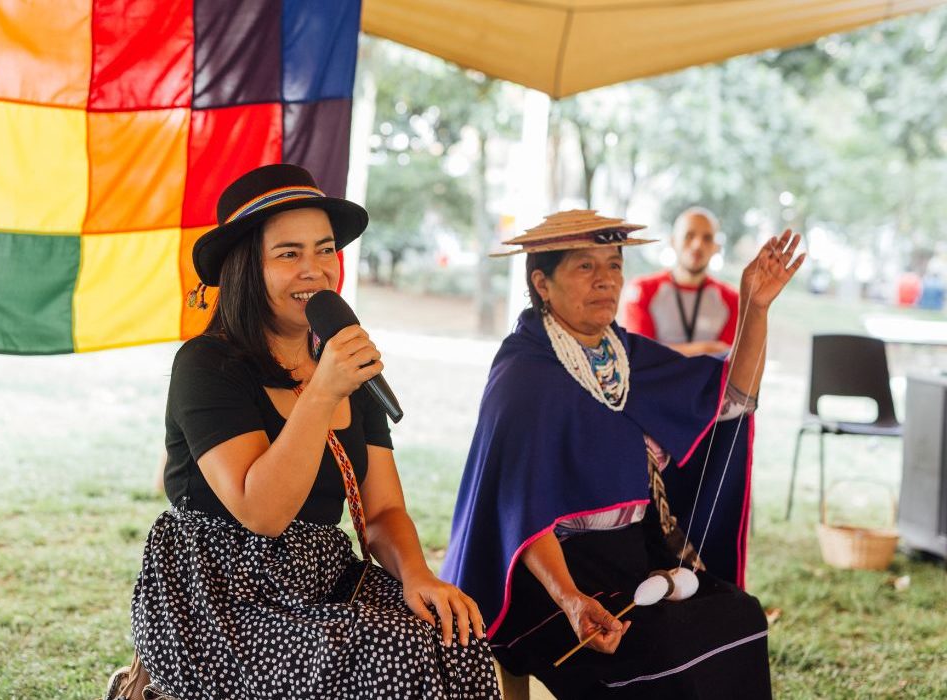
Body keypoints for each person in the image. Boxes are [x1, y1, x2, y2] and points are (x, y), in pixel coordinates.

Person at [127, 164, 500, 699]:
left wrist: (419, 575)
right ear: (245, 269)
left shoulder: (344, 364)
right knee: (394, 649)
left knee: (452, 636)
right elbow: (262, 512)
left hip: (320, 577)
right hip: (218, 596)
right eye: (289, 254)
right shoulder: (207, 364)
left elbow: (384, 512)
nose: (316, 270)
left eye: (325, 250)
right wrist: (324, 393)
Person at [443, 209, 804, 698]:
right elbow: (518, 515)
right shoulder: (525, 376)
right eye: (584, 267)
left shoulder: (625, 355)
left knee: (738, 615)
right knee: (663, 646)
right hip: (548, 576)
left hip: (630, 555)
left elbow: (731, 398)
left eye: (614, 265)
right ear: (542, 284)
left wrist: (755, 308)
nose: (605, 280)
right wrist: (572, 601)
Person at [620, 207, 739, 356]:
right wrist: (706, 349)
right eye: (689, 235)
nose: (698, 245)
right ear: (673, 241)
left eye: (707, 238)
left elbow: (731, 362)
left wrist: (663, 351)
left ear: (716, 247)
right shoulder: (642, 290)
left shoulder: (732, 300)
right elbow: (640, 355)